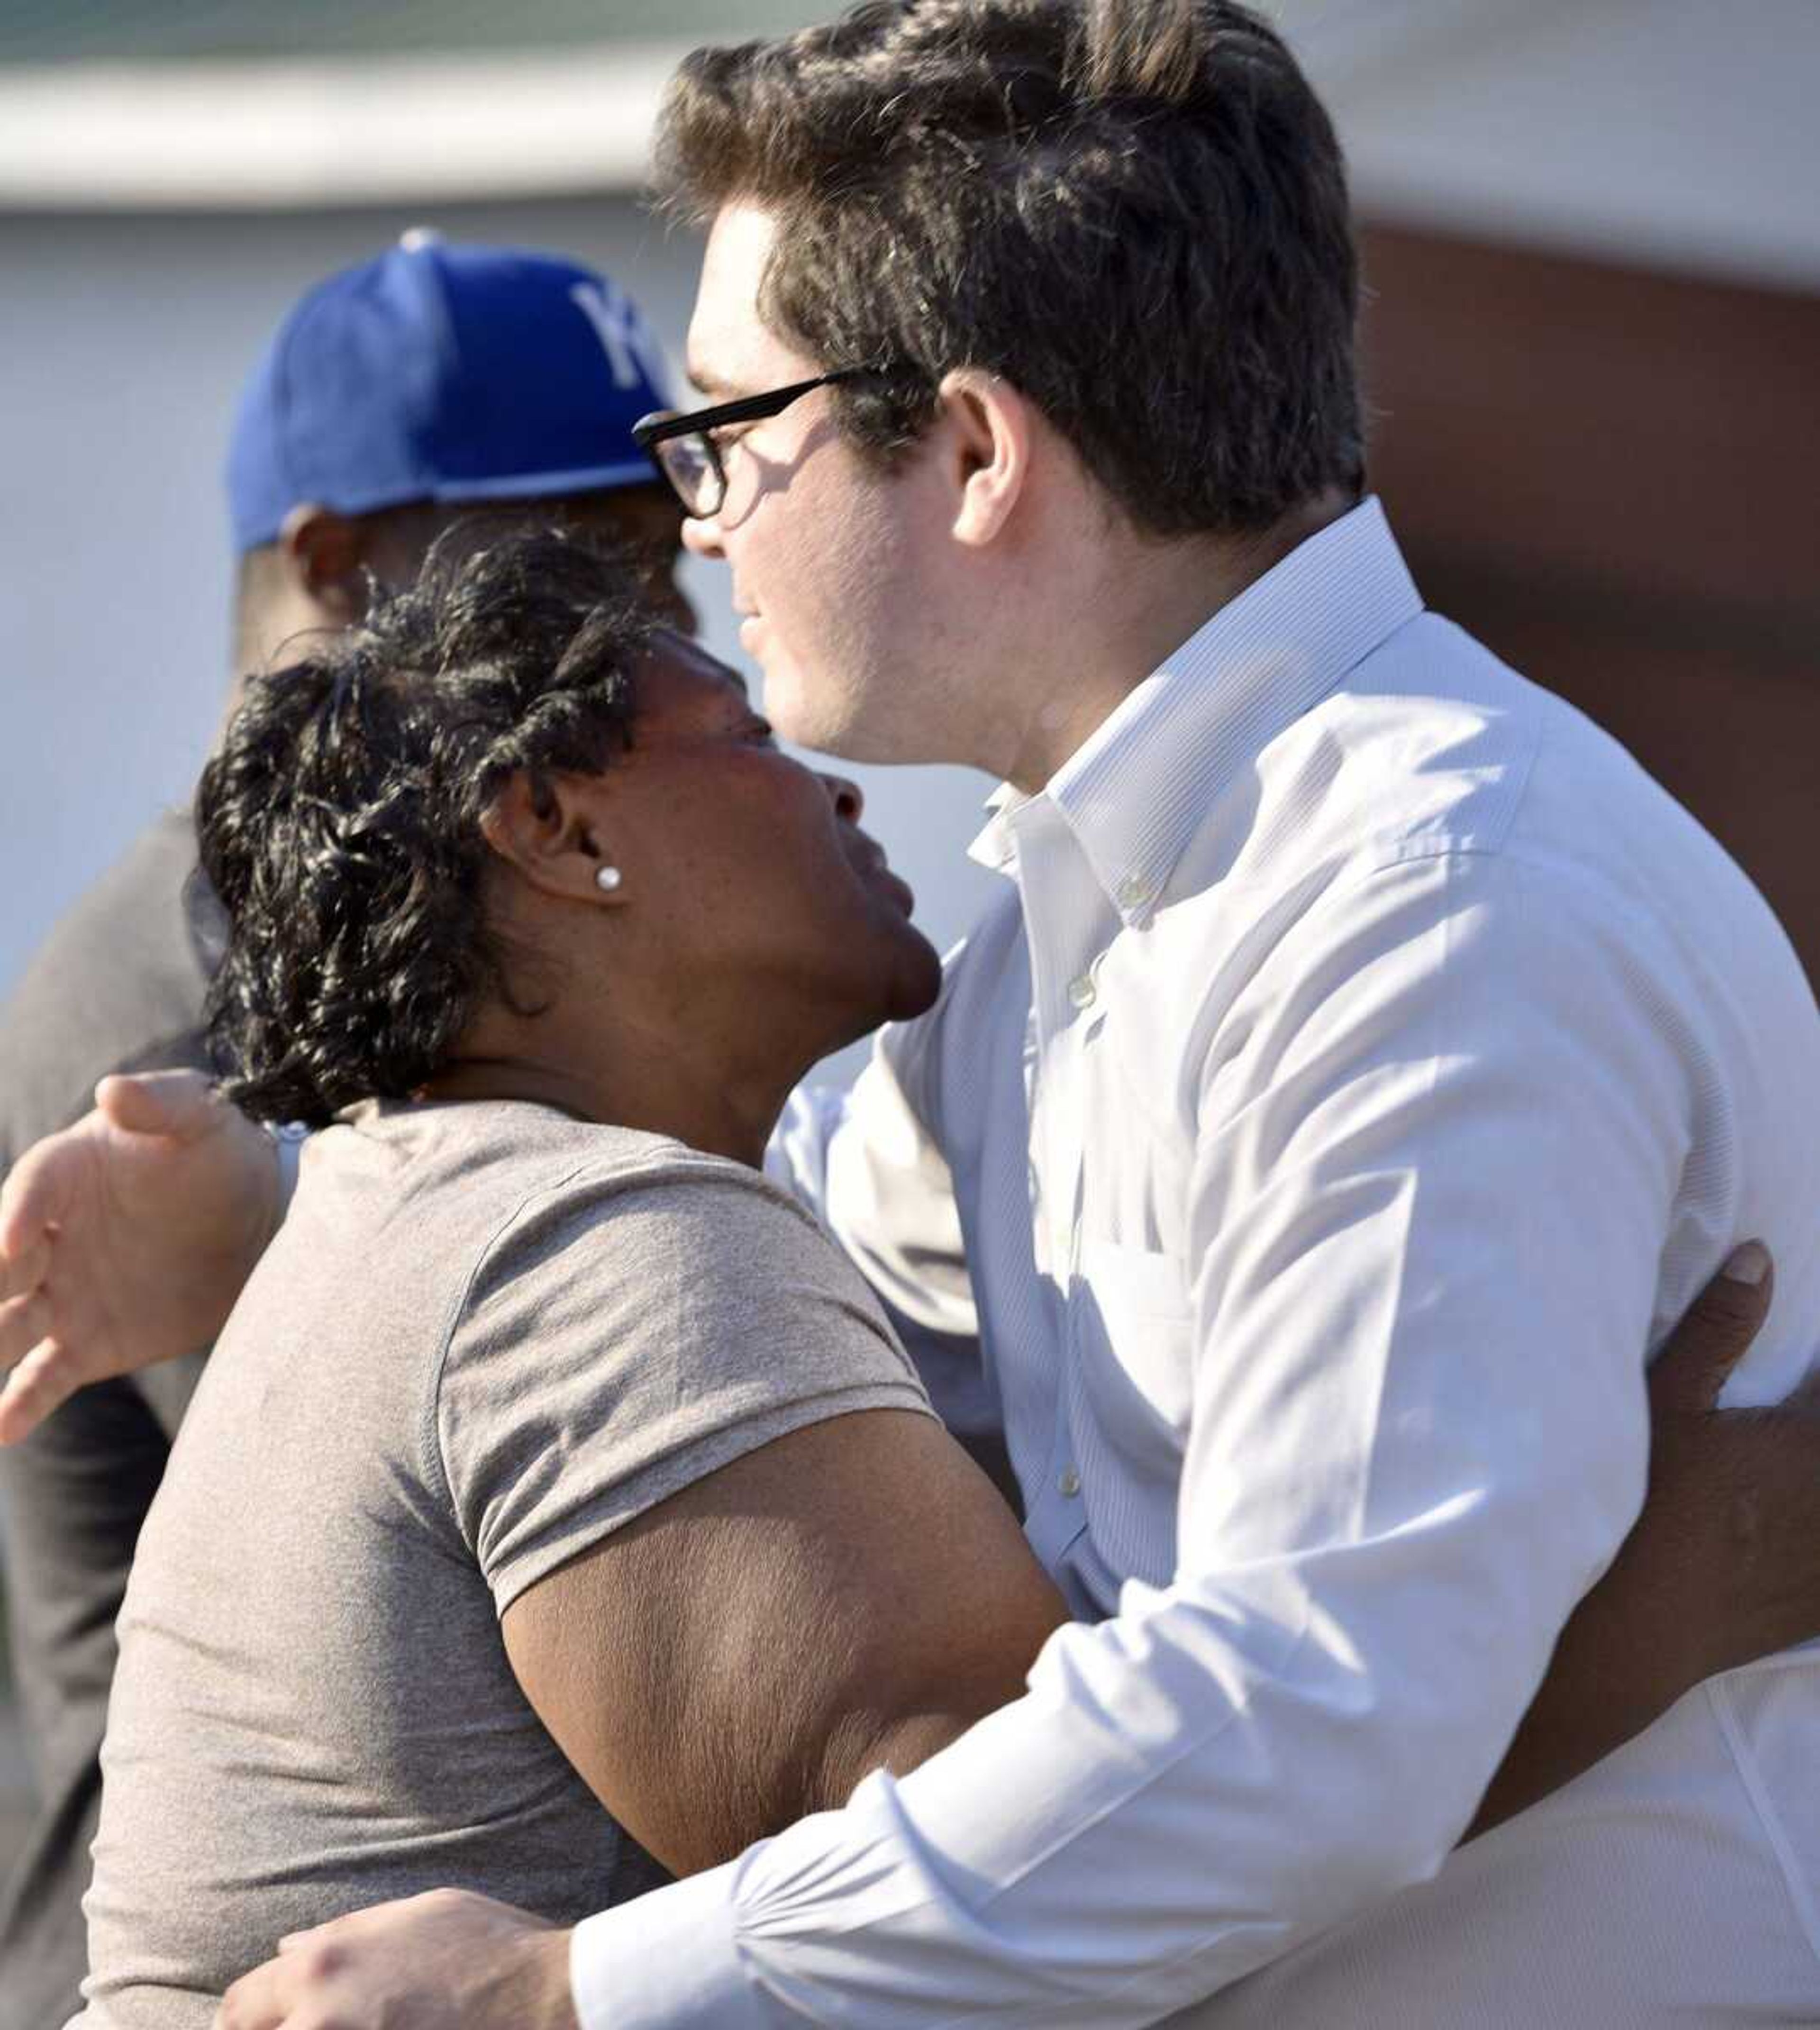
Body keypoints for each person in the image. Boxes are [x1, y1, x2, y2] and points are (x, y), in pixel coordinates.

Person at [6, 3, 1820, 2024]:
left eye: (726, 432)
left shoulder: (1432, 904)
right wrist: (270, 1208)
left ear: (971, 450)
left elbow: (1320, 1726)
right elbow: (761, 1324)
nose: (695, 527)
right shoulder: (1066, 945)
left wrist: (573, 2003)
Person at [69, 528, 1074, 2030]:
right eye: (746, 735)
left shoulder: (408, 1204)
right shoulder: (597, 1244)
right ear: (550, 823)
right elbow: (1049, 1891)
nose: (839, 785)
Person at [0, 231, 686, 2030]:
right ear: (332, 560)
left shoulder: (398, 919)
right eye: (583, 562)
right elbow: (443, 1509)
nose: (662, 626)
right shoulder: (188, 995)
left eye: (668, 554)